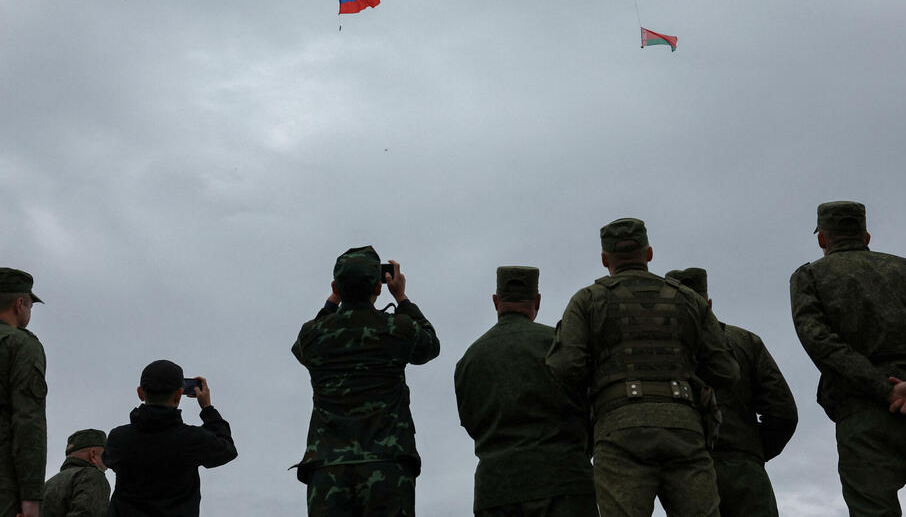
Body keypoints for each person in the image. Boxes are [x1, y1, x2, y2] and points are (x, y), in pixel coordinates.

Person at [790, 201, 906, 516]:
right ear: (866, 236)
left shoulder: (809, 275)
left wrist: (884, 388)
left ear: (822, 238)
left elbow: (819, 340)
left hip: (863, 415)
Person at [546, 218, 739, 517]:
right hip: (684, 427)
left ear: (604, 258)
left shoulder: (588, 299)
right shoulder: (688, 299)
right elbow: (727, 371)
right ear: (649, 253)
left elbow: (565, 367)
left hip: (619, 428)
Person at [292, 246, 440, 517]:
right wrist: (403, 298)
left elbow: (302, 349)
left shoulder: (313, 334)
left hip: (327, 467)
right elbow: (430, 346)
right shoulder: (399, 328)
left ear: (336, 285)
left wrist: (331, 303)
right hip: (387, 467)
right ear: (379, 286)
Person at [455, 266, 598, 517]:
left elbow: (470, 421)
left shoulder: (470, 358)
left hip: (496, 488)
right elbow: (591, 405)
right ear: (538, 301)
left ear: (496, 301)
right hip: (564, 481)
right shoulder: (558, 343)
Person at [666, 268, 797, 517]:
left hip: (686, 471)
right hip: (745, 472)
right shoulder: (746, 342)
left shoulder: (660, 351)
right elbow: (783, 413)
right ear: (708, 303)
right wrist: (752, 451)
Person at [102, 360, 237, 516]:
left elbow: (107, 460)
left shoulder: (118, 438)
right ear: (179, 395)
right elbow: (227, 449)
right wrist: (207, 409)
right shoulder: (192, 439)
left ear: (140, 393)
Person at [0, 268, 46, 517]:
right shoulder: (20, 345)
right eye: (30, 305)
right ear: (19, 304)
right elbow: (28, 422)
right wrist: (31, 499)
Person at [42, 429, 110, 517]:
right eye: (105, 454)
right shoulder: (93, 477)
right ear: (93, 454)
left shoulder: (48, 484)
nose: (108, 463)